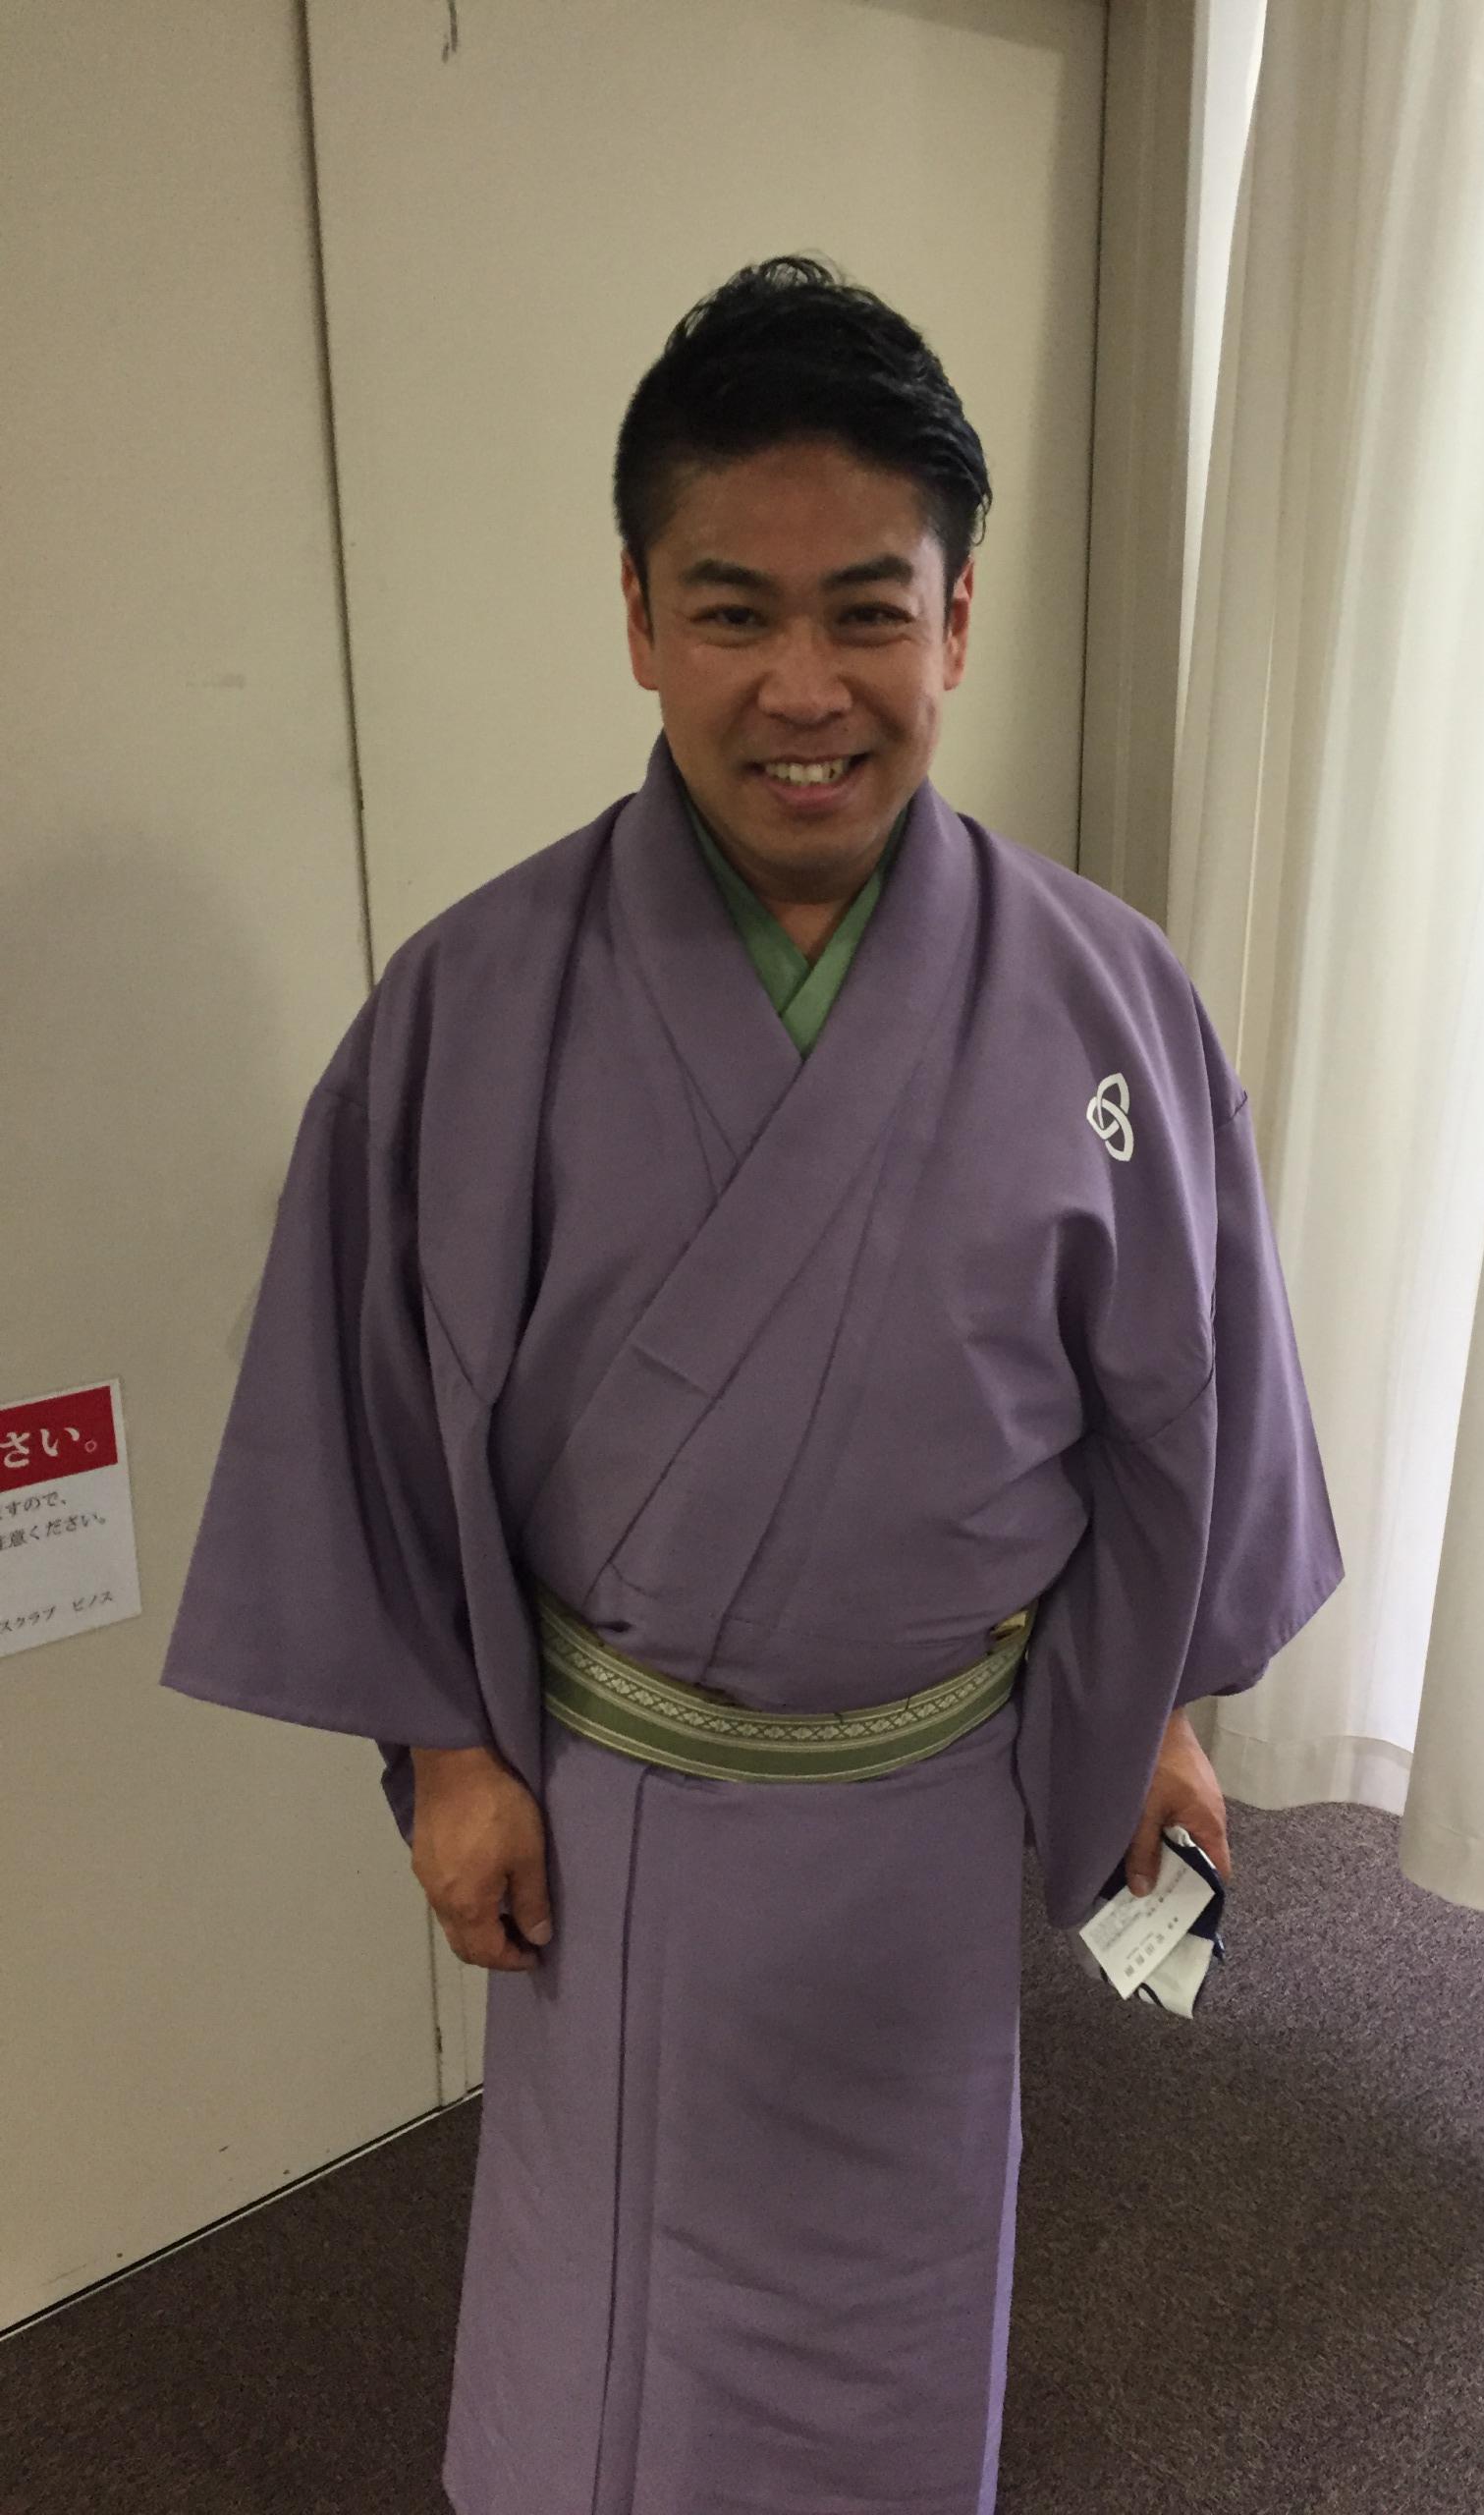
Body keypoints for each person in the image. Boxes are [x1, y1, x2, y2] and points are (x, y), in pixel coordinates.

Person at [160, 253, 1343, 2515]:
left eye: (868, 611)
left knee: (902, 2321)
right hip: (619, 1824)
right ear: (637, 614)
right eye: (732, 611)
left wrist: (1165, 1707)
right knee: (602, 2351)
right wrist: (447, 1744)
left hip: (933, 1818)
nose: (806, 687)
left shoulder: (1110, 1006)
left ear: (958, 619)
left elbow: (1182, 1410)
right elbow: (366, 1403)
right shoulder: (472, 1006)